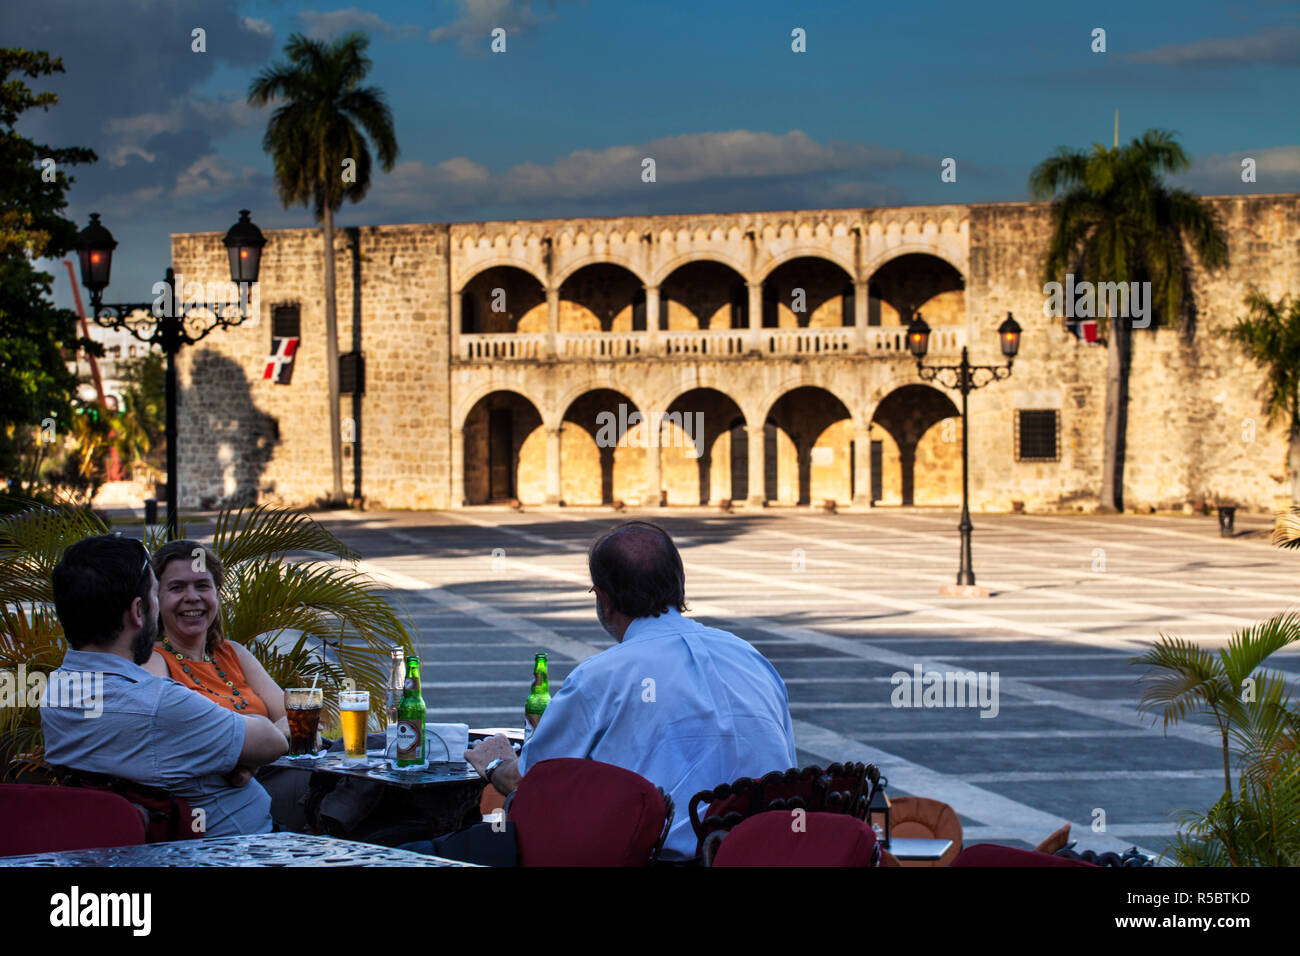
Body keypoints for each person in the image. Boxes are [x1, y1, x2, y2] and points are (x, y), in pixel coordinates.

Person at [465, 520, 798, 861]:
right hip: (772, 854)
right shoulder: (751, 658)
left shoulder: (601, 677)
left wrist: (495, 762)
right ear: (679, 584)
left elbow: (531, 782)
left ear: (604, 600)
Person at [42, 534, 286, 837]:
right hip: (235, 847)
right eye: (158, 594)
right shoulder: (159, 705)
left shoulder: (57, 693)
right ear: (138, 611)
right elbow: (274, 741)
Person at [141, 540, 290, 739]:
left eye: (202, 585)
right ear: (156, 597)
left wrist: (265, 743)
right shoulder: (154, 660)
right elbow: (175, 737)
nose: (192, 597)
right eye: (177, 588)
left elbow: (301, 719)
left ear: (217, 593)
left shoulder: (233, 653)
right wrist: (272, 737)